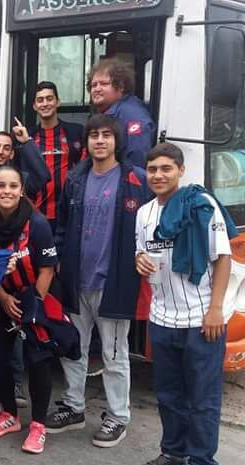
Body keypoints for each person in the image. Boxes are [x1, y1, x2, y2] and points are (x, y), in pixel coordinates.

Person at [45, 114, 150, 447]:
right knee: (73, 349)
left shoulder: (136, 179)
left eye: (107, 135)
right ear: (87, 142)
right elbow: (62, 225)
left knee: (114, 356)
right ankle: (74, 407)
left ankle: (118, 416)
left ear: (117, 142)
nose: (100, 141)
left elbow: (153, 222)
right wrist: (60, 260)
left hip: (114, 282)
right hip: (77, 281)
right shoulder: (76, 178)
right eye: (94, 135)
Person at [136, 143, 236, 465]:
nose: (158, 175)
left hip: (202, 320)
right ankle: (173, 453)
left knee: (203, 400)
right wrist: (139, 260)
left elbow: (223, 258)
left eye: (166, 168)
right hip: (162, 320)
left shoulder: (201, 205)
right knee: (168, 396)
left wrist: (216, 309)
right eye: (152, 169)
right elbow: (142, 252)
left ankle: (201, 459)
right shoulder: (144, 213)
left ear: (180, 170)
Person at [0, 165, 57, 454]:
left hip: (35, 295)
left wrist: (31, 306)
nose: (7, 191)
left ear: (21, 190)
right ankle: (9, 414)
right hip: (1, 297)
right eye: (1, 186)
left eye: (13, 186)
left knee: (38, 362)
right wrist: (1, 297)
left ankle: (38, 425)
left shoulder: (36, 223)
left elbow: (48, 269)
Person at [28, 81, 85, 232]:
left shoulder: (75, 132)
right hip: (36, 215)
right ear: (34, 106)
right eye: (40, 100)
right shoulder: (27, 137)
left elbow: (84, 168)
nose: (45, 103)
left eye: (49, 98)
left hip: (69, 214)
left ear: (57, 102)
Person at [88, 58, 154, 168]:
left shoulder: (132, 115)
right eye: (94, 85)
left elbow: (137, 157)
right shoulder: (108, 113)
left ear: (121, 87)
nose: (97, 89)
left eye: (104, 84)